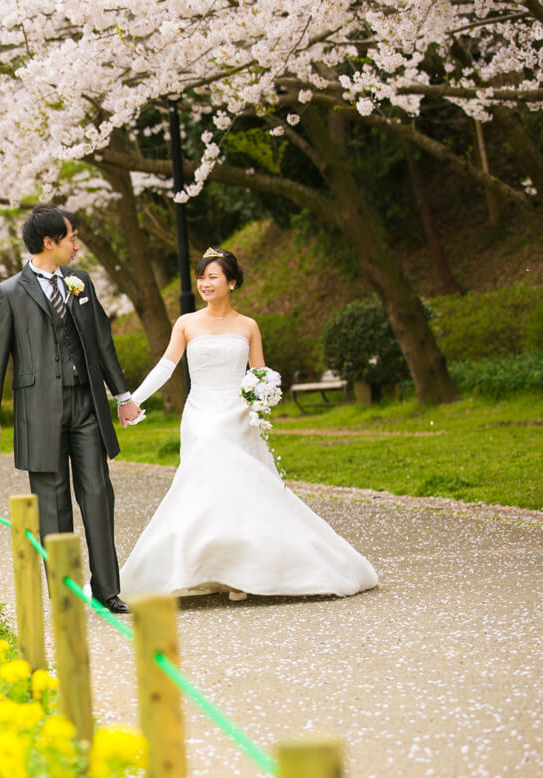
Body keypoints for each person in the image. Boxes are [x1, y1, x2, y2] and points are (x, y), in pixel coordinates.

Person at [119, 247, 377, 599]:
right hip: (200, 413)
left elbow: (259, 373)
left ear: (232, 282)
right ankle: (203, 565)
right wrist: (134, 399)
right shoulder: (186, 323)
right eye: (201, 277)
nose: (204, 283)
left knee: (242, 490)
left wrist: (264, 393)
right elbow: (167, 366)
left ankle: (241, 572)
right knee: (203, 485)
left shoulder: (248, 326)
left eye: (213, 277)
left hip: (237, 413)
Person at [0, 205, 141, 614]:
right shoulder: (10, 292)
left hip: (86, 403)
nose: (77, 244)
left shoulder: (80, 282)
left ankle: (107, 590)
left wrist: (122, 396)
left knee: (99, 494)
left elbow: (102, 341)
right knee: (51, 504)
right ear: (49, 242)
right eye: (72, 236)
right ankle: (66, 593)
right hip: (39, 409)